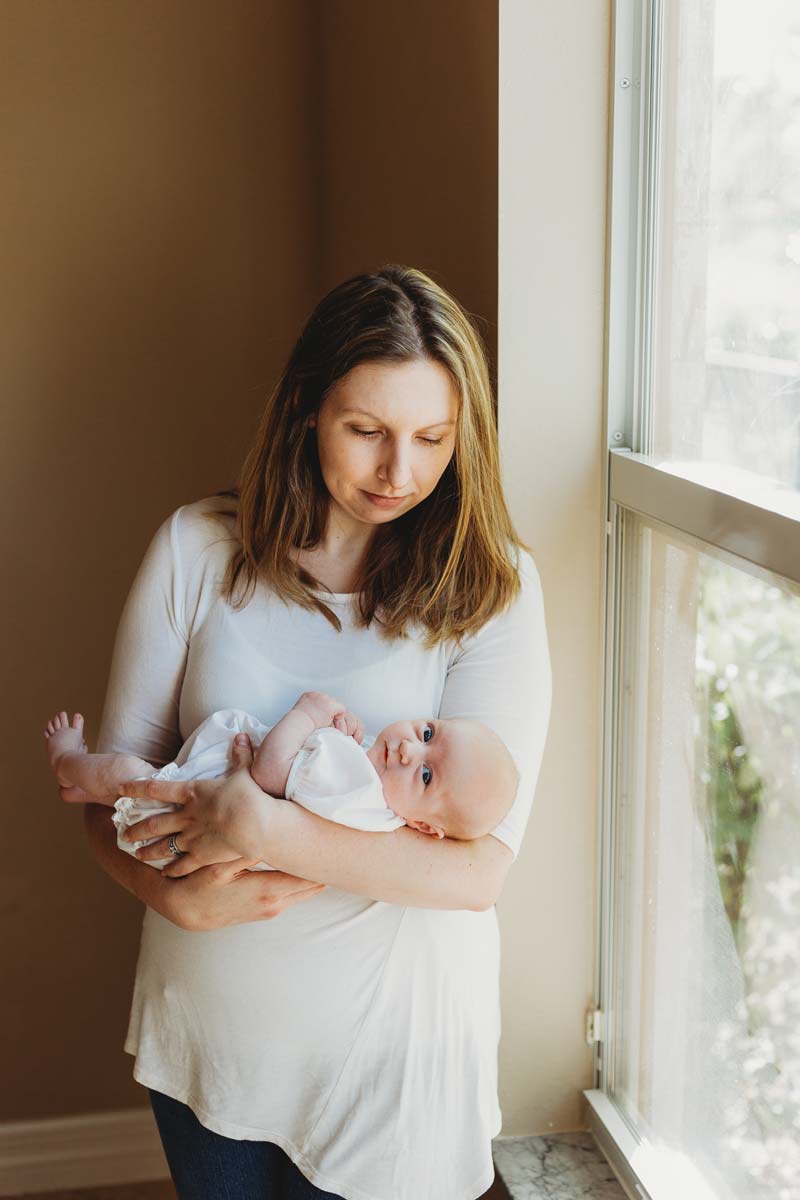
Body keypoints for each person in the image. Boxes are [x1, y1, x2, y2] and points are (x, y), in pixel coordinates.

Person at [79, 264, 552, 1200]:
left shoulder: (493, 589)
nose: (400, 471)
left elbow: (478, 868)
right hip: (212, 1039)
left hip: (395, 1063)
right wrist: (167, 896)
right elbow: (110, 790)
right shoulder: (195, 551)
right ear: (306, 408)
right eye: (367, 431)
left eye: (432, 438)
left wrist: (267, 830)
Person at [44, 690, 520, 868]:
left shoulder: (358, 784)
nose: (408, 748)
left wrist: (308, 713)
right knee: (124, 786)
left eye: (426, 774)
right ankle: (86, 787)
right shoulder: (374, 798)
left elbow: (270, 773)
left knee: (128, 775)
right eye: (428, 732)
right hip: (201, 813)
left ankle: (68, 761)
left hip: (180, 812)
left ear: (424, 828)